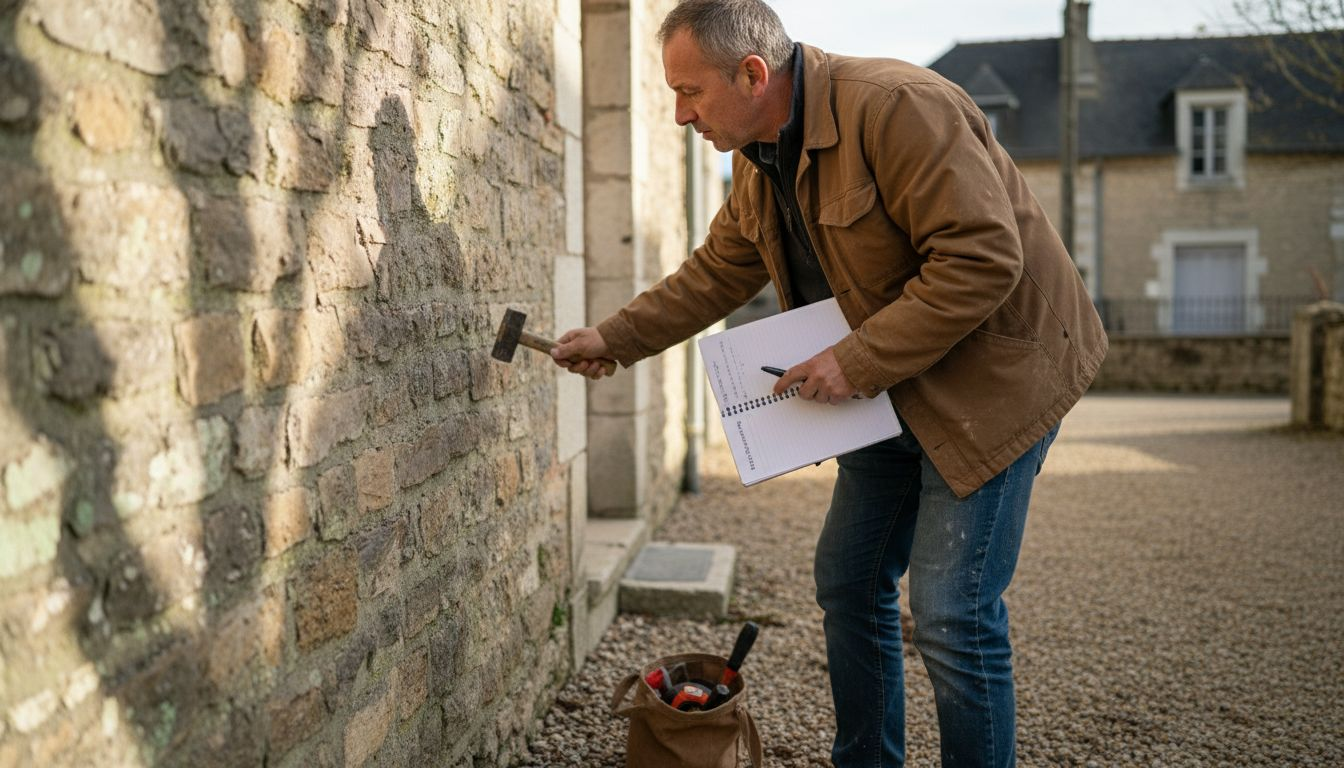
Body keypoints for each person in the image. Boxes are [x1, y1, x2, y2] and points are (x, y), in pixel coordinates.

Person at [551, 0, 1108, 765]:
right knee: (847, 581)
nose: (680, 115)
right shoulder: (758, 161)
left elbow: (982, 259)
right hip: (885, 389)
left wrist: (853, 362)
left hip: (993, 382)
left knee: (952, 614)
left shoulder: (898, 107)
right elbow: (715, 273)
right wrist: (614, 338)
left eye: (689, 92)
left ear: (752, 74)